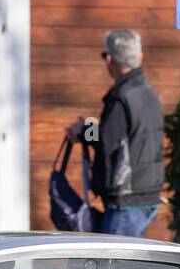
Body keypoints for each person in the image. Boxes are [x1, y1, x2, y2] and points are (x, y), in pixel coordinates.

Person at [64, 29, 164, 236]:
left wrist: (82, 130)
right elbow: (124, 136)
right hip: (147, 193)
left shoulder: (121, 95)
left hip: (126, 199)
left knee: (112, 266)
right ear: (140, 57)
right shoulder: (147, 90)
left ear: (109, 59)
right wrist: (91, 125)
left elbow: (106, 141)